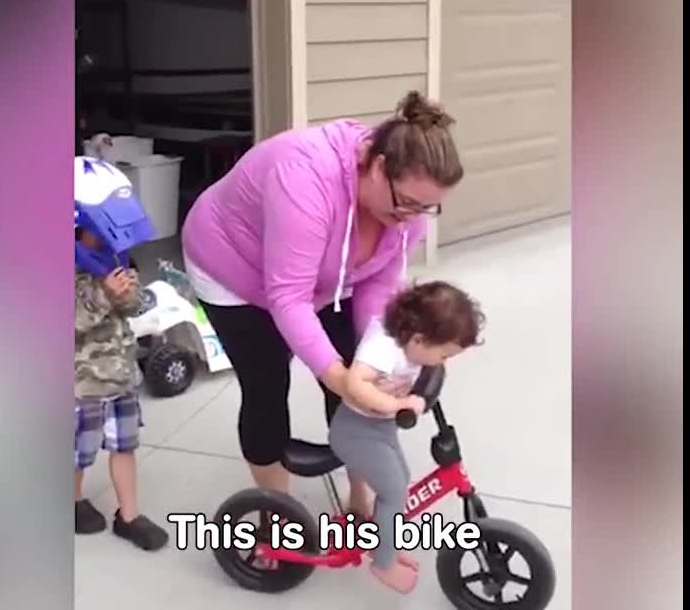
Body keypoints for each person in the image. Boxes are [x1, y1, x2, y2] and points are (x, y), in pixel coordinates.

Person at [180, 90, 465, 516]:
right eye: (407, 202)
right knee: (266, 385)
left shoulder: (407, 208)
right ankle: (274, 511)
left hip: (327, 278)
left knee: (360, 368)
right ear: (379, 166)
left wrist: (374, 362)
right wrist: (340, 379)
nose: (414, 215)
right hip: (233, 268)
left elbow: (379, 282)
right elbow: (289, 296)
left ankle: (360, 500)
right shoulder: (304, 177)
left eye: (427, 207)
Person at [329, 281, 484, 593]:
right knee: (394, 490)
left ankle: (382, 540)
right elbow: (355, 383)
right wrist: (398, 404)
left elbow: (427, 368)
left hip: (378, 428)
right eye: (443, 355)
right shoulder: (383, 348)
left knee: (400, 480)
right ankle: (383, 564)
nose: (442, 362)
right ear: (418, 339)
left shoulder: (413, 345)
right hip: (356, 431)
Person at [73, 157, 168, 550]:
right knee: (77, 453)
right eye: (96, 236)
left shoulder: (115, 259)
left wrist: (127, 295)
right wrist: (102, 296)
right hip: (80, 385)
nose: (107, 244)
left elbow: (130, 312)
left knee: (125, 447)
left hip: (121, 378)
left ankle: (128, 516)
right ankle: (72, 501)